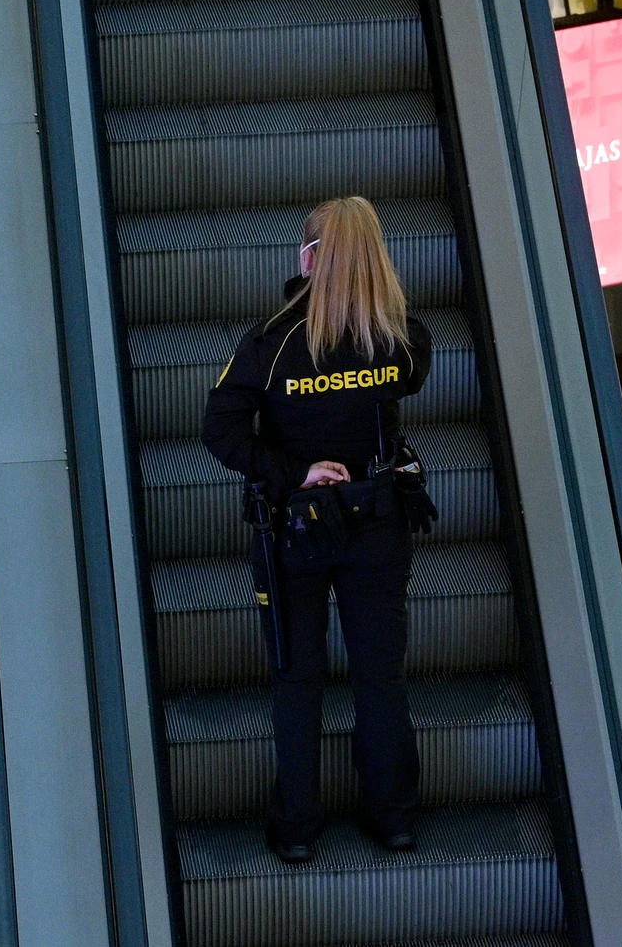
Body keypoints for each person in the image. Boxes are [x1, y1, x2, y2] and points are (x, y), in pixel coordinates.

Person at [203, 196, 434, 864]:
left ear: (307, 258)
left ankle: (298, 828)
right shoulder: (400, 342)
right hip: (378, 522)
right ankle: (392, 818)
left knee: (297, 679)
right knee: (379, 677)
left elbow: (219, 428)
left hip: (293, 529)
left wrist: (294, 472)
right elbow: (406, 373)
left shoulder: (271, 344)